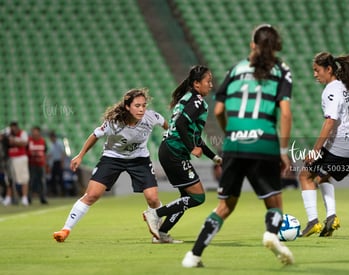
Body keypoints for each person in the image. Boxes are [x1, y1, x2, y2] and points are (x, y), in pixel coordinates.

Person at [182, 24, 294, 267]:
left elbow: (220, 109)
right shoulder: (281, 70)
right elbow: (285, 114)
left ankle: (194, 255)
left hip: (234, 143)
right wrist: (284, 151)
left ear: (252, 44)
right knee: (274, 202)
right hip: (263, 142)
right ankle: (271, 234)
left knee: (225, 205)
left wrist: (231, 133)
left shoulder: (236, 69)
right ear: (276, 47)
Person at [53, 88, 168, 242]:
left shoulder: (151, 117)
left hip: (139, 159)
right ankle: (66, 229)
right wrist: (80, 155)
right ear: (127, 106)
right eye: (137, 106)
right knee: (92, 195)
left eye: (143, 105)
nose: (141, 109)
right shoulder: (114, 123)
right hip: (113, 158)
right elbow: (94, 136)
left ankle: (157, 229)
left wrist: (171, 136)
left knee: (153, 199)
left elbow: (167, 126)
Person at [142, 65, 222, 244]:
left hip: (170, 150)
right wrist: (191, 148)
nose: (211, 85)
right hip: (174, 152)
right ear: (196, 83)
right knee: (198, 197)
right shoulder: (197, 101)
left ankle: (162, 234)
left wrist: (214, 157)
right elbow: (179, 124)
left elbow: (194, 136)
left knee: (185, 198)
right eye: (208, 81)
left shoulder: (188, 99)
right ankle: (154, 213)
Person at [299, 52, 349, 237]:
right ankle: (331, 218)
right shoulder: (345, 86)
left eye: (317, 70)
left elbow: (330, 122)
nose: (315, 74)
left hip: (340, 145)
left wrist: (315, 150)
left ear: (329, 69)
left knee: (305, 176)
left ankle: (313, 222)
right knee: (323, 177)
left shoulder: (331, 90)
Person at [2, 122, 30, 206]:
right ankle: (8, 198)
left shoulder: (22, 133)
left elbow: (24, 143)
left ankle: (24, 198)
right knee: (9, 180)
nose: (13, 129)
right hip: (10, 158)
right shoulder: (6, 133)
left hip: (20, 158)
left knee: (23, 178)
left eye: (15, 127)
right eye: (12, 127)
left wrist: (13, 140)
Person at [28, 126, 48, 204]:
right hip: (32, 164)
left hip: (41, 164)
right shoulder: (29, 141)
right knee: (31, 181)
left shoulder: (43, 141)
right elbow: (27, 151)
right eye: (33, 132)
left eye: (36, 132)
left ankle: (43, 198)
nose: (35, 133)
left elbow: (45, 152)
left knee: (42, 181)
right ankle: (28, 198)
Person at [47, 131, 66, 196]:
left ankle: (63, 192)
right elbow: (50, 154)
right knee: (53, 178)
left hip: (59, 162)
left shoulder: (59, 143)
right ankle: (54, 192)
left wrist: (62, 162)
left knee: (61, 178)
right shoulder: (52, 145)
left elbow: (63, 153)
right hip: (54, 163)